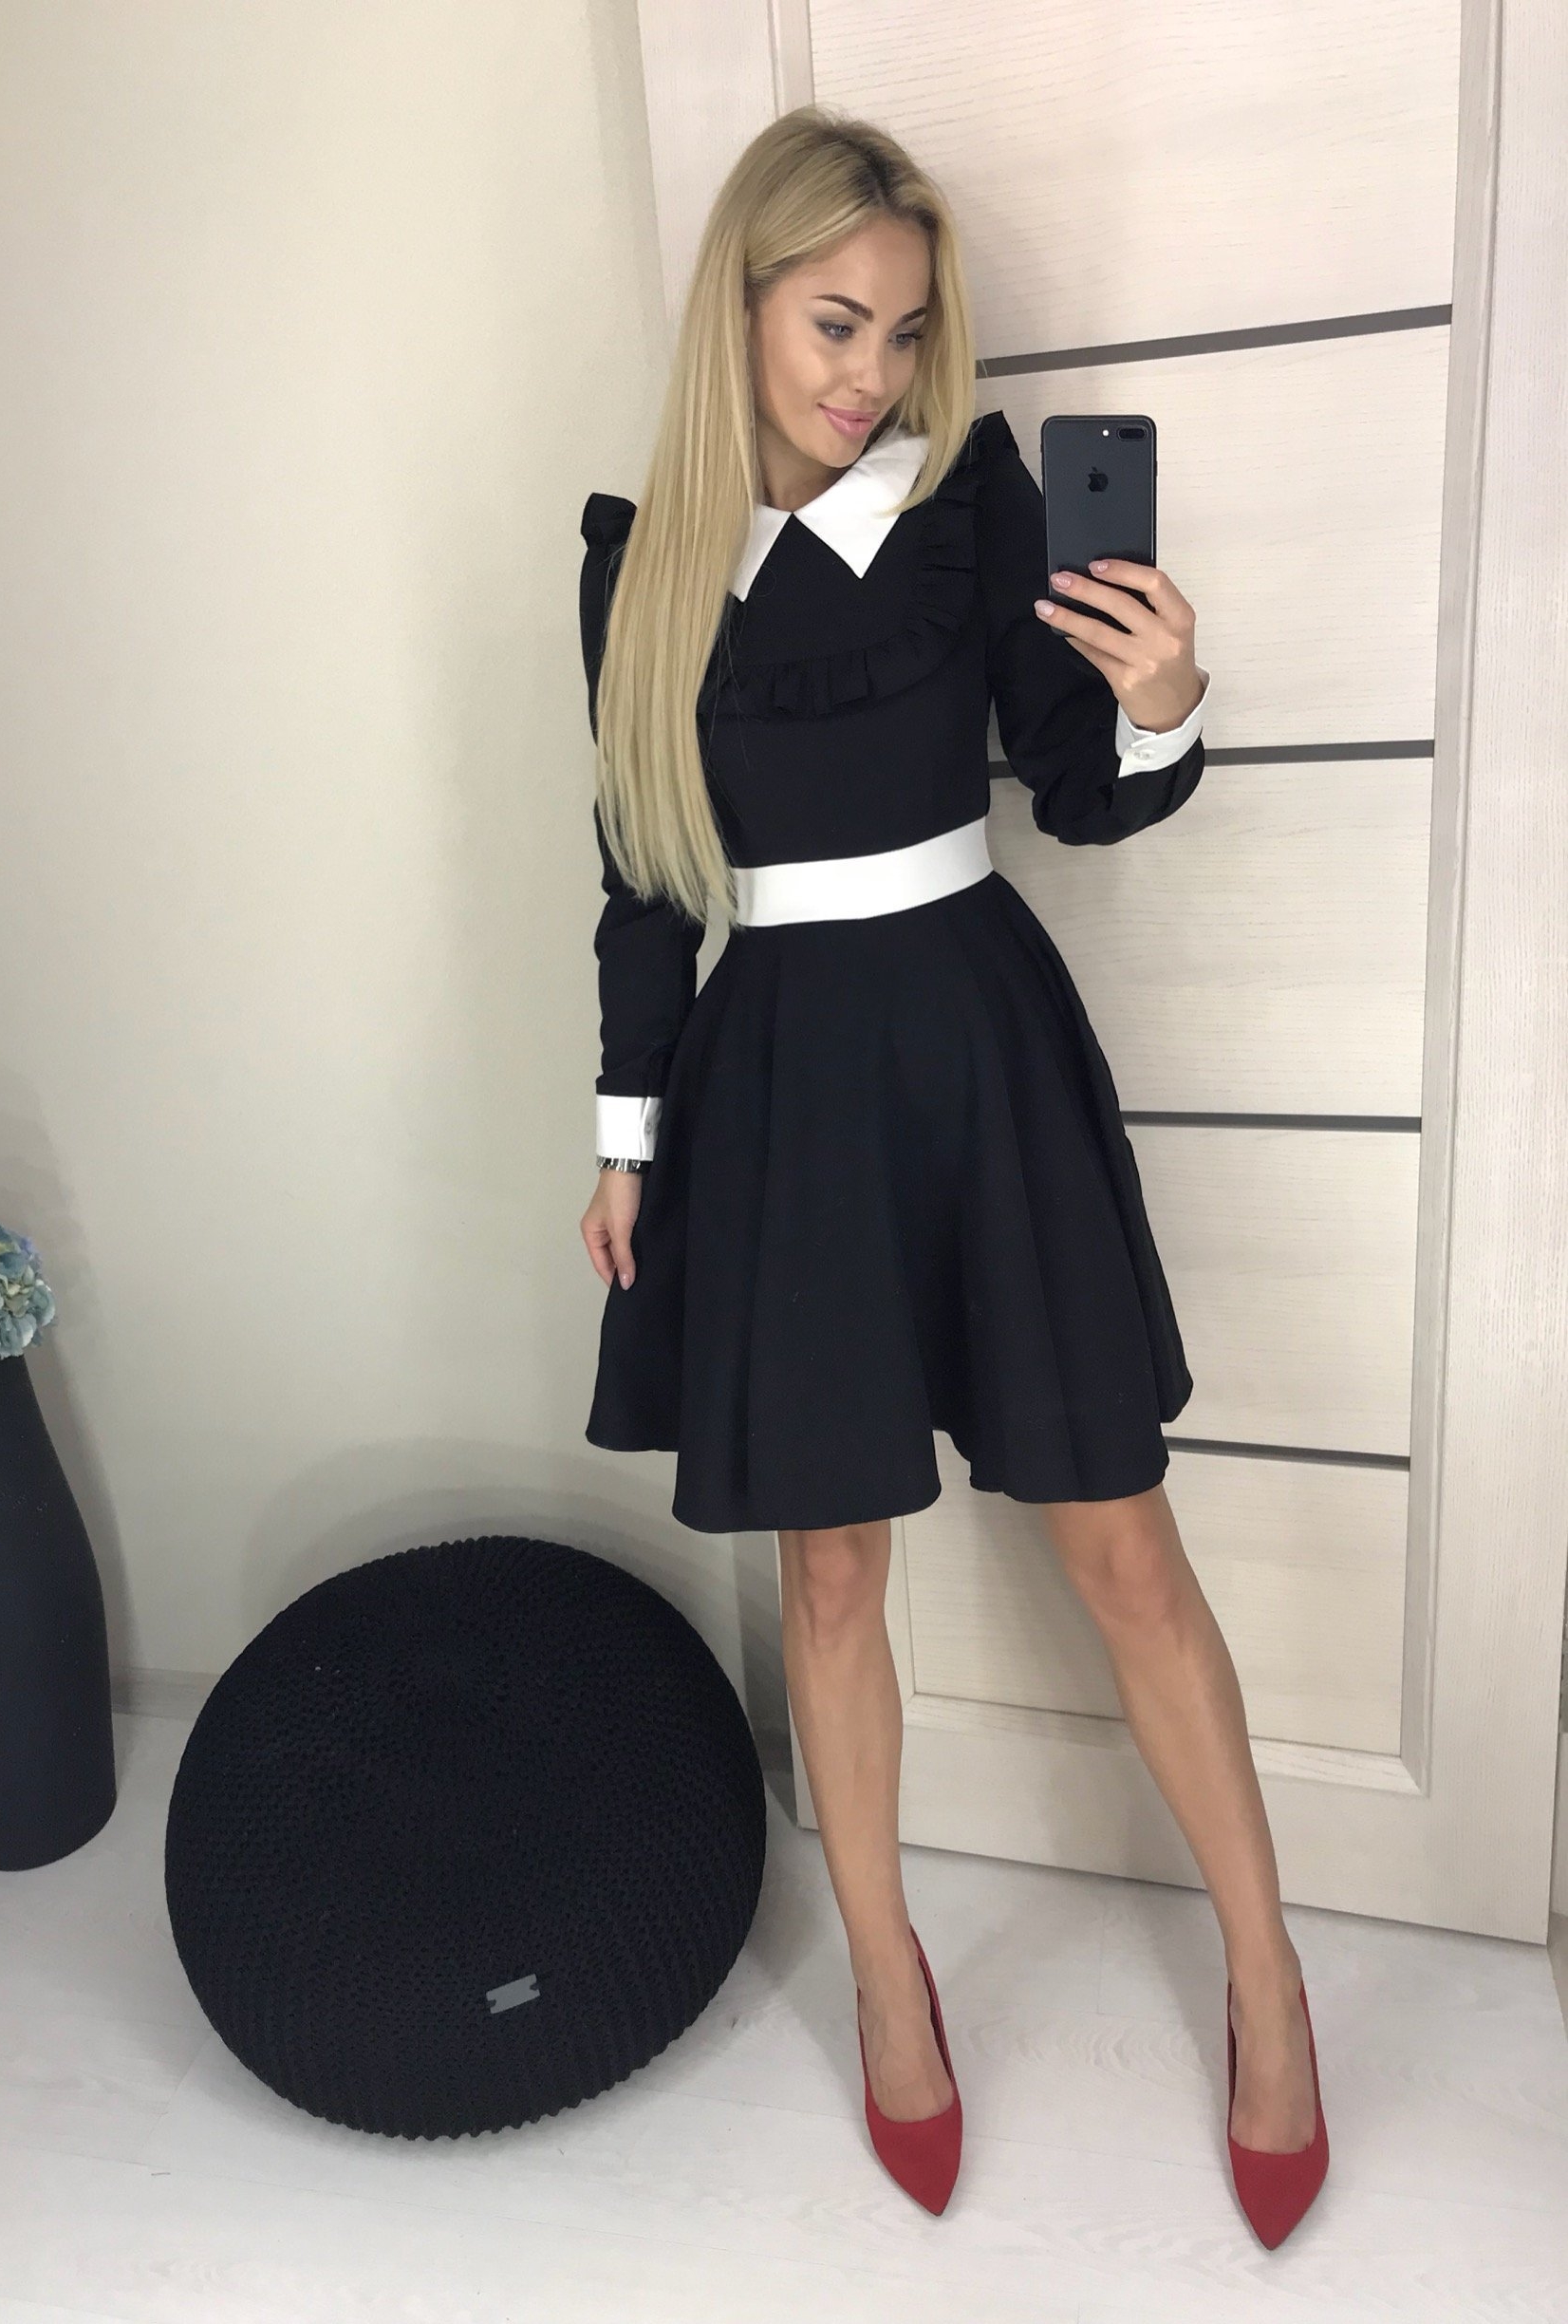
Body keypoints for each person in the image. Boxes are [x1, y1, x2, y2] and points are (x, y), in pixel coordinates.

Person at [573, 103, 1328, 2245]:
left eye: (904, 333)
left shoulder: (972, 504)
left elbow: (1082, 798)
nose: (872, 372)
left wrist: (1164, 702)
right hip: (778, 1089)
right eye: (836, 322)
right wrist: (626, 1138)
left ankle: (1269, 1982)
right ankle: (890, 1980)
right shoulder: (640, 566)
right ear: (741, 304)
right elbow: (644, 883)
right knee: (832, 1573)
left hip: (982, 1053)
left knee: (1120, 1544)